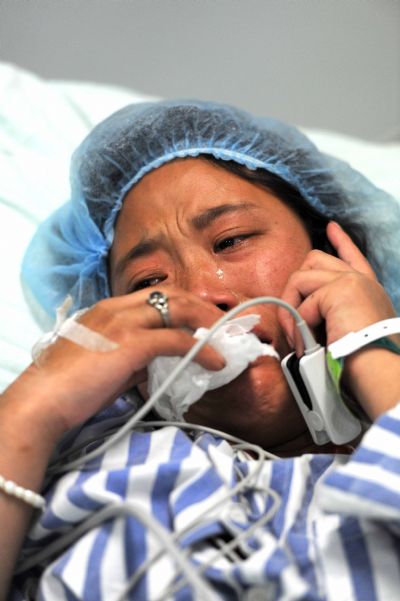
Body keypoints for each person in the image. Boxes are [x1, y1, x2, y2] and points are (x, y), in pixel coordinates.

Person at [2, 100, 400, 600]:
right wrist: (34, 408)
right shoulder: (85, 457)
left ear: (334, 255)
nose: (198, 293)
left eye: (231, 240)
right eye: (149, 281)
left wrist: (374, 350)